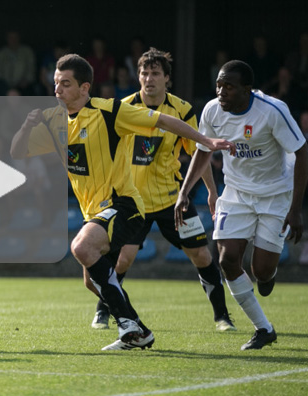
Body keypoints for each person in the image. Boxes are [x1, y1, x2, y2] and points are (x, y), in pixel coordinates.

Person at [11, 54, 234, 351]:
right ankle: (137, 329)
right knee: (93, 282)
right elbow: (17, 152)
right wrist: (27, 126)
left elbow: (164, 120)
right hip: (95, 213)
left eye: (65, 84)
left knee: (81, 247)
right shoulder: (54, 122)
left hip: (125, 204)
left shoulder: (112, 111)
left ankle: (199, 317)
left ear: (84, 88)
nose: (58, 90)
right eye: (55, 84)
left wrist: (206, 142)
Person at [88, 48, 235, 332]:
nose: (148, 78)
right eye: (144, 72)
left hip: (172, 200)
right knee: (123, 258)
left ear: (167, 78)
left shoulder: (182, 110)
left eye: (155, 73)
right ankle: (103, 311)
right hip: (133, 202)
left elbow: (199, 153)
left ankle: (222, 317)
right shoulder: (123, 107)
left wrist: (212, 193)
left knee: (202, 256)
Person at [175, 60, 308, 350]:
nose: (221, 92)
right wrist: (185, 191)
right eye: (219, 85)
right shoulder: (212, 110)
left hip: (275, 195)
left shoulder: (272, 111)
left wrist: (296, 209)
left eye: (229, 86)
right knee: (227, 259)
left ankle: (266, 275)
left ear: (247, 90)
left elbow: (302, 154)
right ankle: (264, 329)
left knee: (260, 270)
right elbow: (203, 150)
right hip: (236, 193)